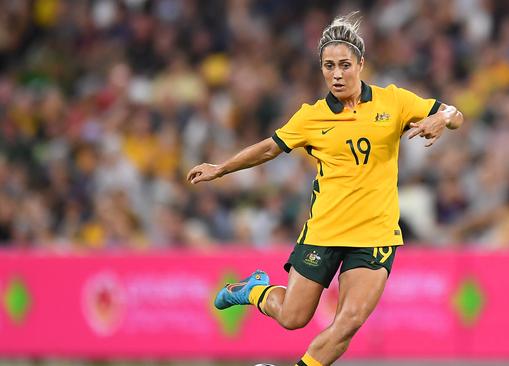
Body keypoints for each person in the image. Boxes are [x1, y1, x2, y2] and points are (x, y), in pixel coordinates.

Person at [187, 12, 463, 366]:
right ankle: (254, 289)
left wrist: (442, 117)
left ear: (361, 64)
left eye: (345, 65)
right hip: (325, 230)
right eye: (328, 65)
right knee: (292, 317)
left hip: (374, 234)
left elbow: (454, 114)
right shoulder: (311, 117)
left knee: (348, 323)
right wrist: (221, 168)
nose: (337, 73)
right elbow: (270, 147)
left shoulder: (393, 101)